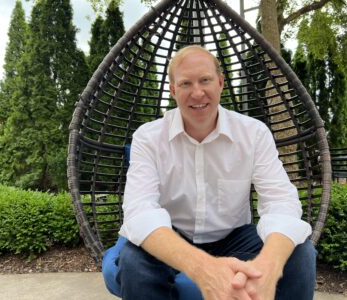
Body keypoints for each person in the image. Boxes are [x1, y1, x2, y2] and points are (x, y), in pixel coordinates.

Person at [114, 45, 316, 300]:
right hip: (173, 235)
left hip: (235, 238)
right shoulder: (148, 137)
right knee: (133, 260)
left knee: (300, 252)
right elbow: (139, 210)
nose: (197, 93)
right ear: (173, 90)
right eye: (186, 83)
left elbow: (281, 202)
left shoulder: (254, 134)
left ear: (220, 83)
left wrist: (269, 265)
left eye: (205, 80)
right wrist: (202, 268)